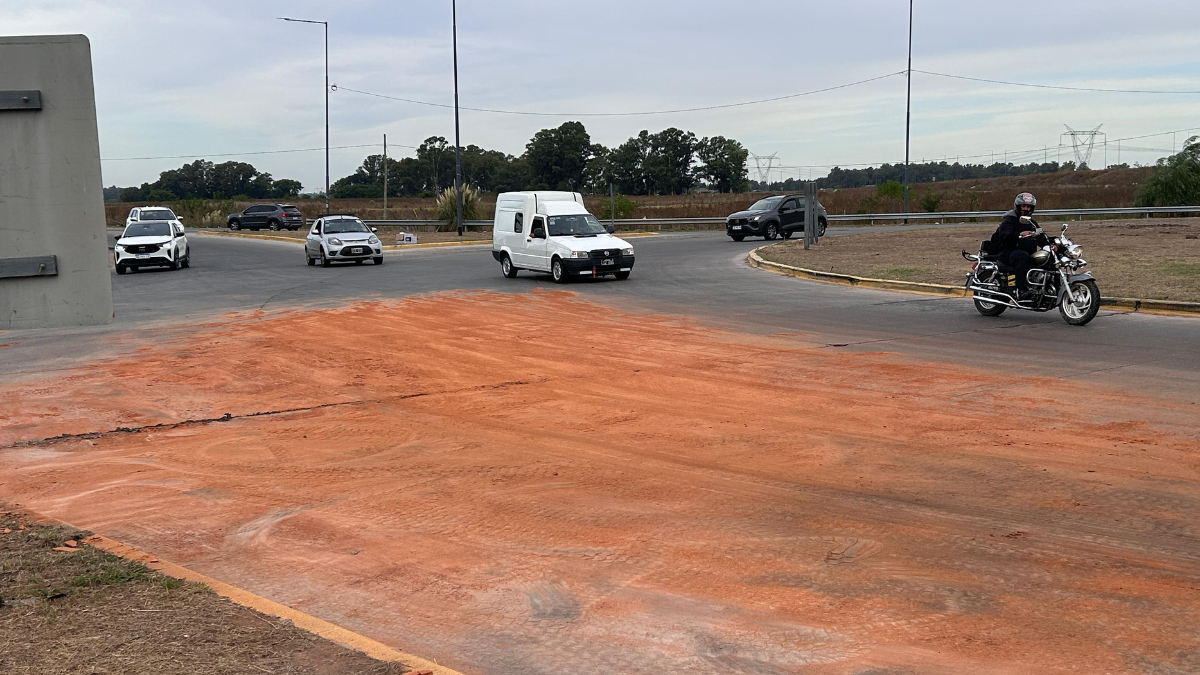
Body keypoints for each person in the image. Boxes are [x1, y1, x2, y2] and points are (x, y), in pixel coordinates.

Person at [989, 192, 1041, 300]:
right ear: (1018, 207)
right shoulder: (1009, 220)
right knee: (1023, 257)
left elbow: (1040, 236)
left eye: (1028, 207)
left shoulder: (1031, 223)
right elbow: (1005, 236)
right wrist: (1018, 235)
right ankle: (1021, 290)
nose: (1026, 209)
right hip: (1007, 253)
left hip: (1024, 252)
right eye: (1024, 206)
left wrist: (1055, 242)